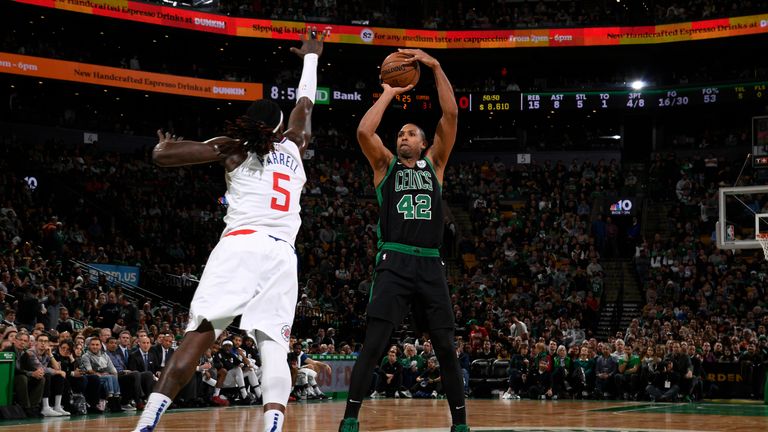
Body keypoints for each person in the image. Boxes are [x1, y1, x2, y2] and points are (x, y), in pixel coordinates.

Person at [132, 27, 326, 432]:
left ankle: (147, 423)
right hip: (280, 255)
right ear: (277, 127)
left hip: (239, 246)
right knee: (273, 345)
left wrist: (165, 145)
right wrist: (311, 57)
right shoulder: (294, 145)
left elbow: (161, 158)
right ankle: (273, 425)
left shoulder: (232, 146)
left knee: (199, 336)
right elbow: (304, 105)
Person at [338, 49, 468, 432]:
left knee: (445, 345)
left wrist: (436, 66)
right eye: (399, 133)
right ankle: (350, 419)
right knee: (375, 343)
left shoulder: (436, 165)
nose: (402, 136)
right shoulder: (385, 166)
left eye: (410, 132)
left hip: (430, 262)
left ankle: (459, 422)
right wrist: (389, 93)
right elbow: (364, 132)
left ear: (424, 143)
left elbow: (452, 115)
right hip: (393, 262)